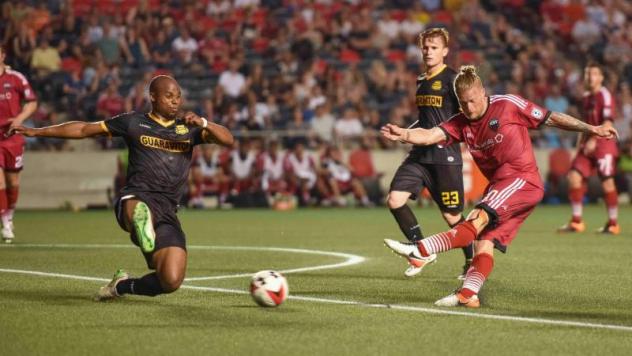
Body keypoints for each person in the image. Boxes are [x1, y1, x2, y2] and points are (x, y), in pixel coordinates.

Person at [381, 65, 617, 308]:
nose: (469, 108)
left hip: (521, 179)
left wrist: (592, 129)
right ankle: (468, 295)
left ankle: (421, 250)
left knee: (476, 218)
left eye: (472, 101)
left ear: (483, 92)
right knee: (484, 242)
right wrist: (404, 135)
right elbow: (430, 135)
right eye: (463, 104)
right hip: (504, 186)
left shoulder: (507, 104)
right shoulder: (461, 122)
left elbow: (551, 118)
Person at [11, 75, 234, 300]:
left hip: (168, 211)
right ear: (153, 97)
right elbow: (84, 130)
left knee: (171, 280)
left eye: (178, 97)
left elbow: (228, 140)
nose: (175, 101)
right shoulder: (133, 122)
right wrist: (37, 131)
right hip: (136, 197)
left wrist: (204, 123)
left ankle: (121, 286)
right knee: (137, 209)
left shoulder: (188, 129)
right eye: (169, 96)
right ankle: (141, 224)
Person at [386, 28, 473, 278]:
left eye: (434, 47)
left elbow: (466, 114)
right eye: (425, 47)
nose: (428, 51)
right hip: (420, 155)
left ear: (445, 51)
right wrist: (404, 132)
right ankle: (422, 252)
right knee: (394, 199)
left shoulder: (453, 80)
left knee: (452, 216)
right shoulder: (422, 80)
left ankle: (471, 261)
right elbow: (425, 119)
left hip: (444, 156)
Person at [558, 63, 621, 234]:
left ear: (600, 77)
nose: (589, 77)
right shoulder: (586, 97)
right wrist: (580, 146)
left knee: (607, 181)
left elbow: (608, 121)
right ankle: (577, 221)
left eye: (593, 74)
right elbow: (584, 124)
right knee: (574, 176)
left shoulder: (605, 95)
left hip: (604, 143)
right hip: (587, 143)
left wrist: (595, 137)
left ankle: (613, 223)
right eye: (587, 74)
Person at [0, 45, 38, 243]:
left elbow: (32, 101)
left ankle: (10, 214)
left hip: (13, 136)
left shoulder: (16, 78)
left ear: (2, 55)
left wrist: (19, 118)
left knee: (13, 182)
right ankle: (5, 222)